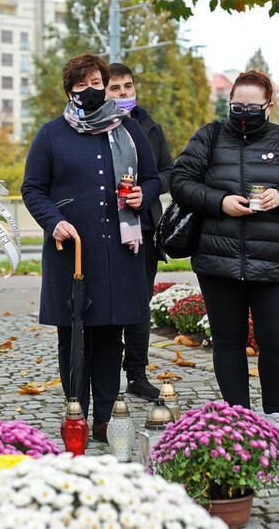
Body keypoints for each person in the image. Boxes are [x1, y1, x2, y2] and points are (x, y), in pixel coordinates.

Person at [170, 70, 279, 441]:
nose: (243, 112)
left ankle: (274, 419)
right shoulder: (209, 136)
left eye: (252, 106)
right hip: (218, 260)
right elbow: (180, 182)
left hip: (274, 261)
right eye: (236, 105)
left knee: (276, 343)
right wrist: (220, 202)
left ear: (269, 107)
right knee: (228, 342)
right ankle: (239, 422)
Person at [21, 53, 162, 442]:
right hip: (72, 253)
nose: (90, 90)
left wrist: (140, 198)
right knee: (73, 334)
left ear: (105, 84)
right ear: (69, 91)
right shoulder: (51, 133)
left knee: (108, 335)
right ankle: (75, 412)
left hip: (118, 252)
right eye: (80, 85)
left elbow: (152, 179)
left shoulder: (129, 130)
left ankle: (104, 416)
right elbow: (32, 188)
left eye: (96, 83)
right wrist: (53, 221)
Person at [106, 63, 174, 402]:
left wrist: (146, 193)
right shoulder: (92, 128)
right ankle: (103, 375)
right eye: (115, 88)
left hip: (143, 229)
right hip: (106, 231)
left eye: (127, 87)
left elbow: (167, 172)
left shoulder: (149, 127)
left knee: (138, 307)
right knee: (105, 305)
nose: (122, 94)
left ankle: (136, 374)